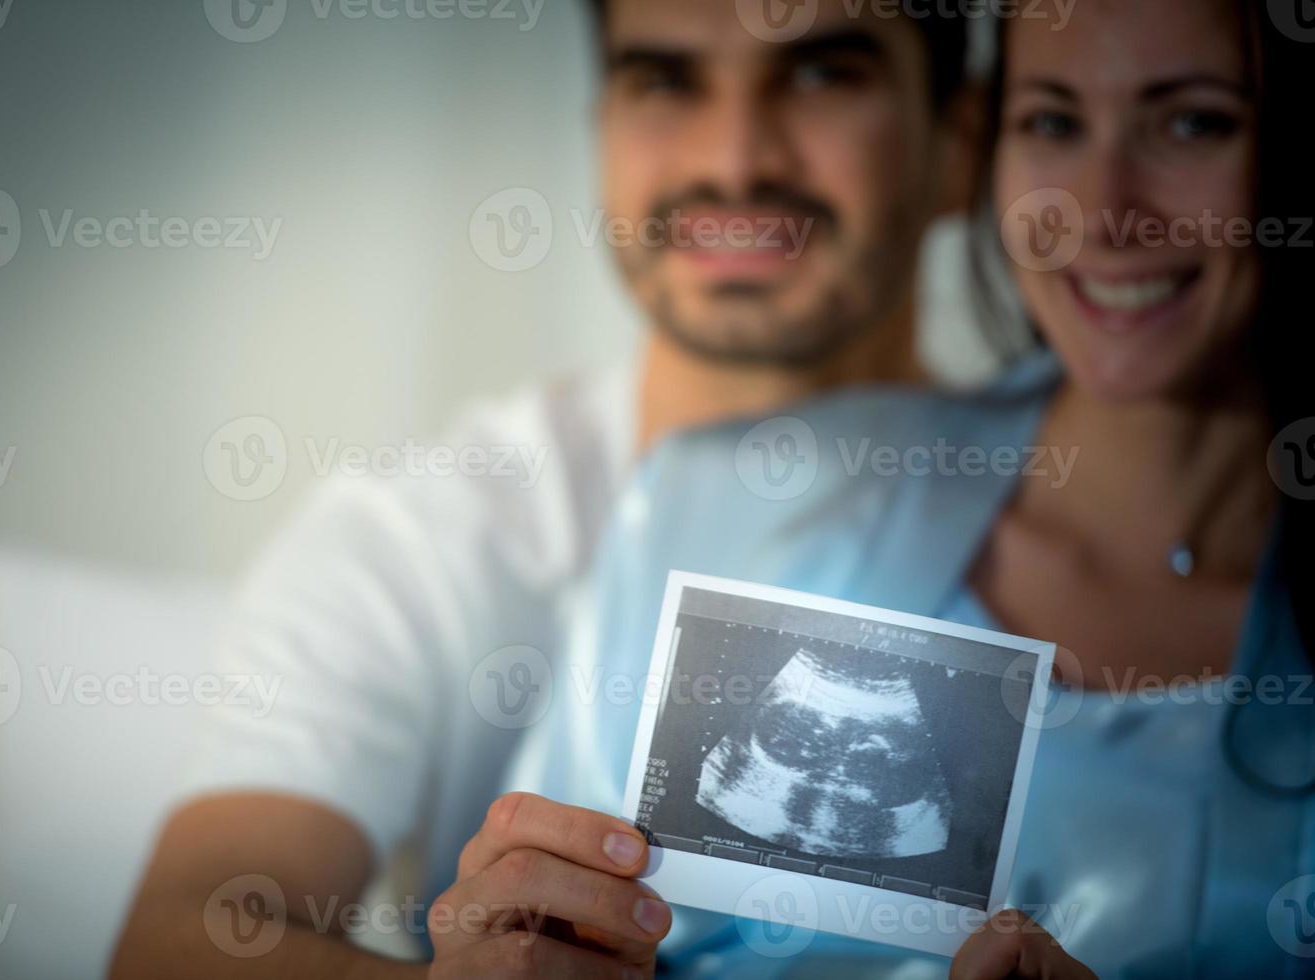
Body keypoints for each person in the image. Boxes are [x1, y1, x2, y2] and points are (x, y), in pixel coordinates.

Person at [109, 0, 977, 976]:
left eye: (823, 74)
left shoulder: (1096, 526)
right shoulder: (422, 537)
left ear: (962, 141)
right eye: (665, 80)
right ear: (600, 129)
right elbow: (177, 942)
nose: (735, 160)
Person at [515, 0, 1314, 975]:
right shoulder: (724, 500)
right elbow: (541, 930)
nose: (1104, 209)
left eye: (1193, 121)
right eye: (1053, 122)